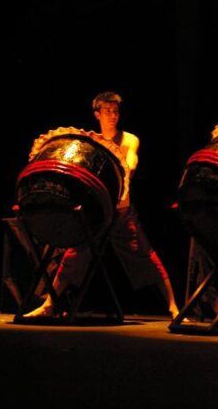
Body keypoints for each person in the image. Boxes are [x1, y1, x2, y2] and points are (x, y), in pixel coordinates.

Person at [24, 91, 180, 320]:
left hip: (122, 211)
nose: (112, 115)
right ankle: (49, 304)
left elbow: (131, 163)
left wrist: (125, 169)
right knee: (74, 255)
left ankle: (174, 308)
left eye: (115, 111)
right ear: (97, 114)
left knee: (146, 256)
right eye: (107, 111)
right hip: (97, 212)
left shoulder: (129, 139)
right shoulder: (92, 144)